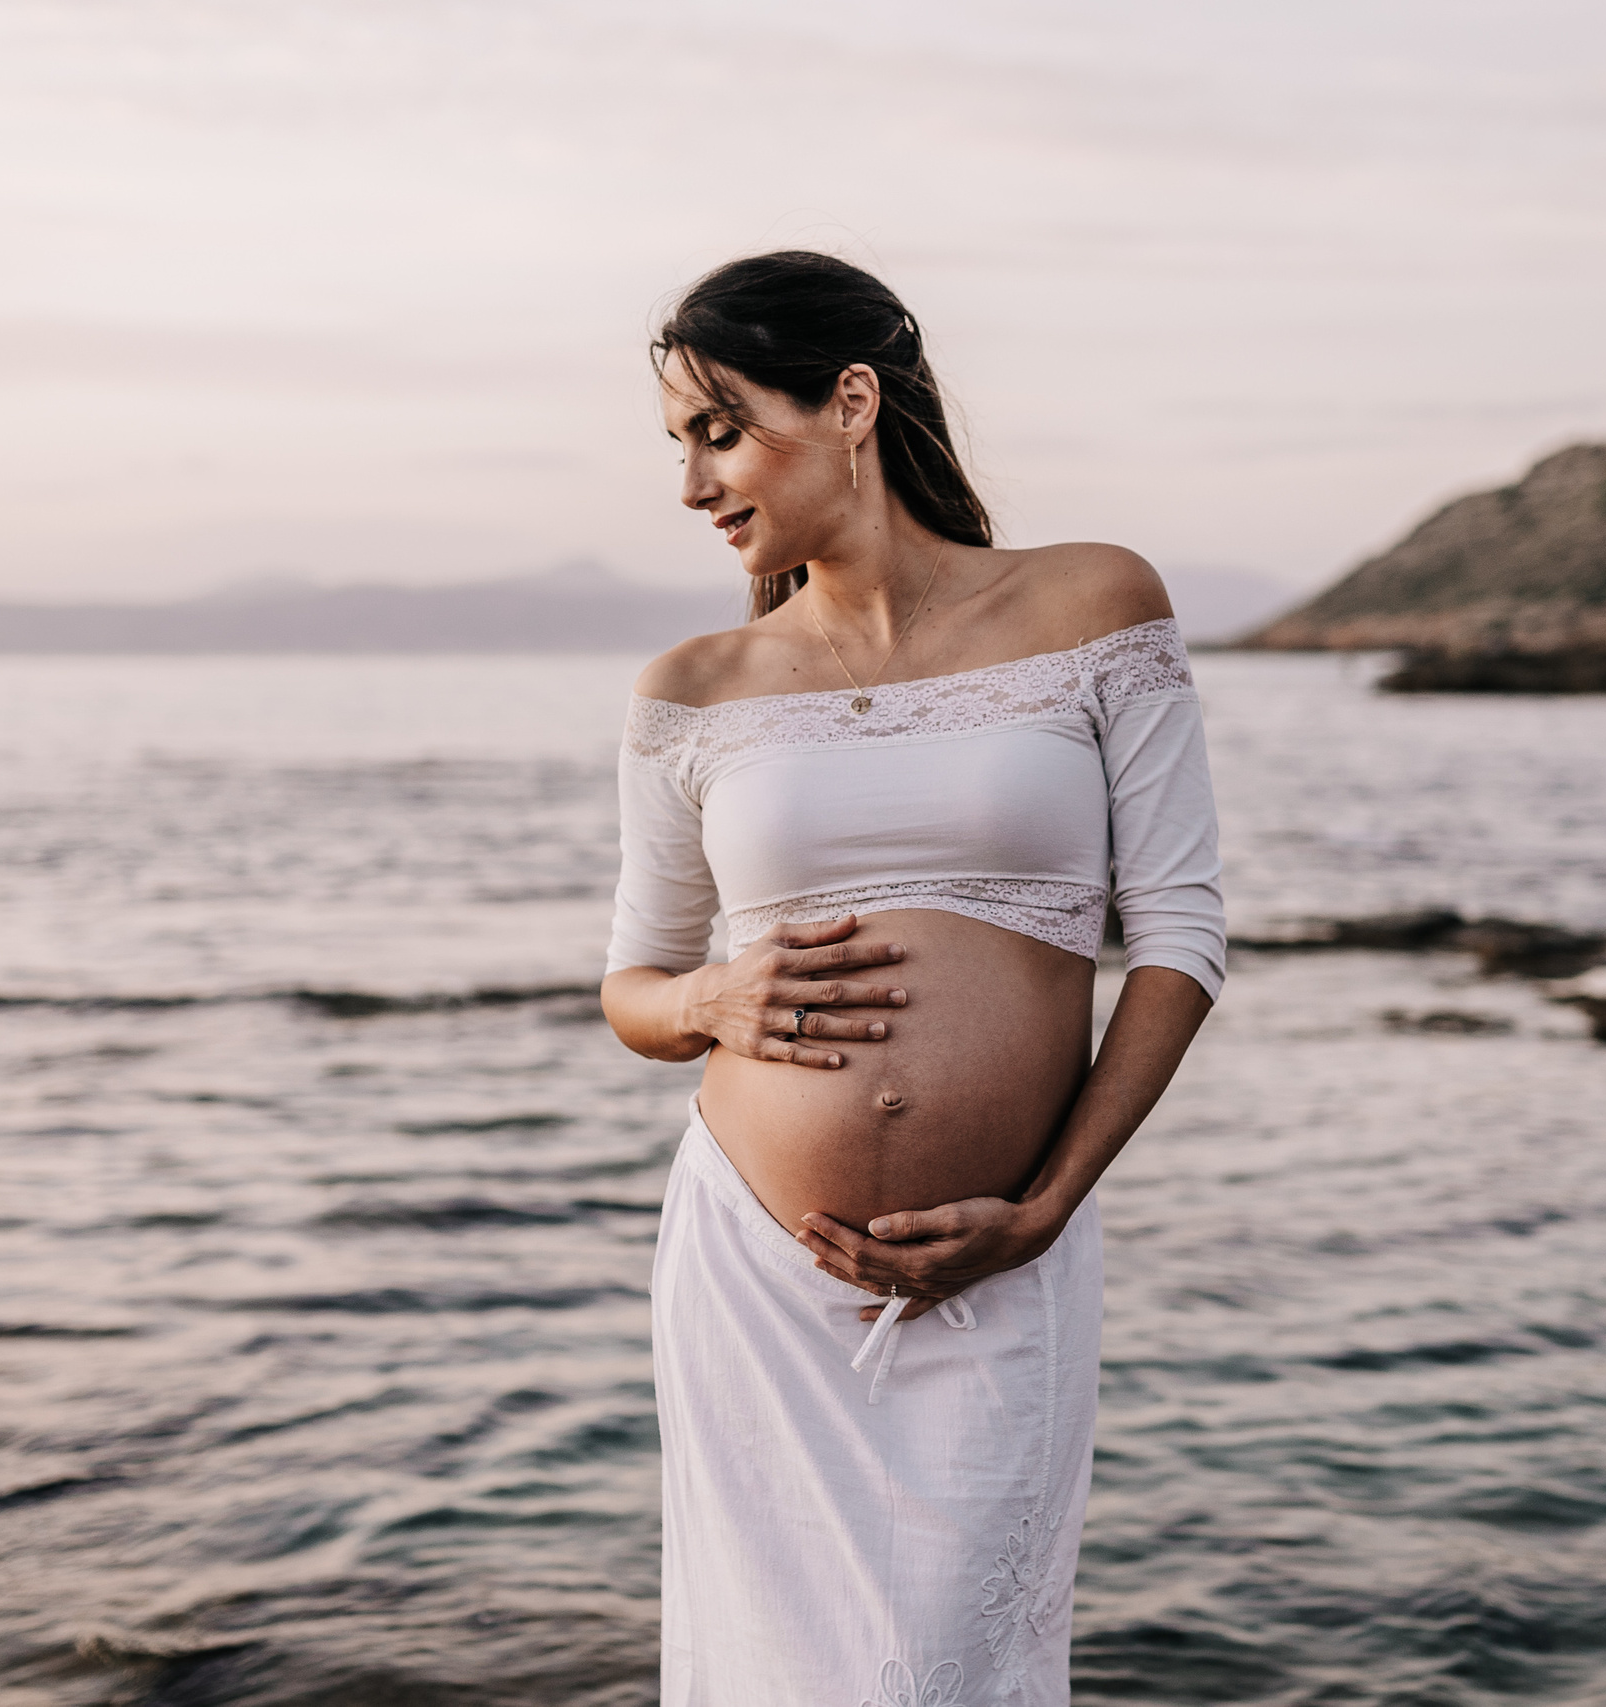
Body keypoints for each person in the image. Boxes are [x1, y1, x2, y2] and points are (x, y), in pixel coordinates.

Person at [601, 250, 1226, 1706]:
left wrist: (1043, 1212)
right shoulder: (693, 687)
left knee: (956, 1672)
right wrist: (710, 1002)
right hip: (759, 1270)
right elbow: (634, 986)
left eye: (718, 428)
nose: (694, 485)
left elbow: (1181, 939)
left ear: (851, 402)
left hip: (1003, 1257)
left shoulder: (1092, 603)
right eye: (679, 445)